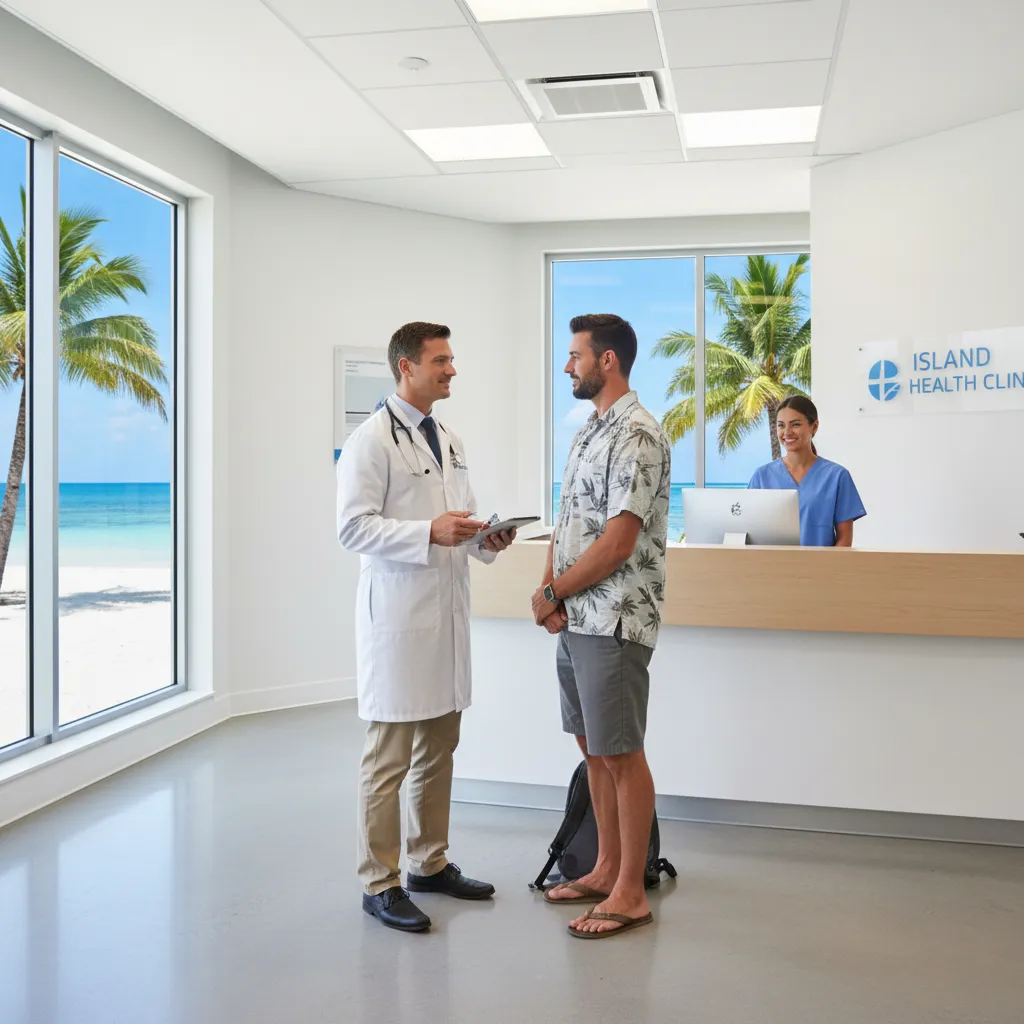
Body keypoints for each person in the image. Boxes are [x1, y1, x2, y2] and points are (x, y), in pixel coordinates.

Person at [336, 321, 516, 933]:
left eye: (452, 359)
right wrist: (427, 533)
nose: (451, 369)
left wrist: (487, 537)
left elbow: (455, 523)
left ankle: (428, 863)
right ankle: (378, 882)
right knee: (388, 760)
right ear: (406, 367)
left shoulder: (451, 439)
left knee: (440, 750)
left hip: (444, 617)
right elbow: (352, 528)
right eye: (441, 360)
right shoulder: (370, 441)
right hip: (399, 619)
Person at [531, 313, 672, 939]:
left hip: (614, 617)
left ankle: (630, 893)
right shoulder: (590, 431)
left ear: (606, 360)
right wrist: (547, 591)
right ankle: (605, 868)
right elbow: (568, 522)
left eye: (575, 356)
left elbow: (618, 542)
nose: (568, 366)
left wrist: (555, 590)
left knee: (622, 753)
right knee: (594, 751)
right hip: (577, 617)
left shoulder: (638, 434)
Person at [747, 395, 866, 547]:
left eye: (795, 425)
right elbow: (750, 533)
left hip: (821, 568)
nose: (787, 432)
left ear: (814, 426)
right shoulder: (761, 477)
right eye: (781, 425)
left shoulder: (837, 476)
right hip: (773, 568)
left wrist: (826, 569)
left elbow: (844, 540)